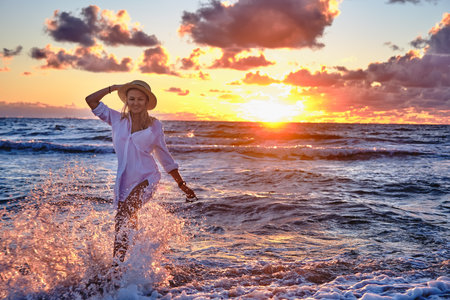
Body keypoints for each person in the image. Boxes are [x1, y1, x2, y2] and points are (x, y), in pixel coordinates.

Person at [85, 80, 196, 266]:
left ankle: (116, 266)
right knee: (126, 220)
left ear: (146, 102)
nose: (136, 103)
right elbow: (91, 100)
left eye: (140, 99)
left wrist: (181, 184)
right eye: (132, 99)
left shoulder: (154, 125)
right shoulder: (116, 119)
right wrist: (113, 88)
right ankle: (133, 262)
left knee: (124, 215)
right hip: (124, 181)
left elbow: (164, 155)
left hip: (147, 178)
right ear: (127, 101)